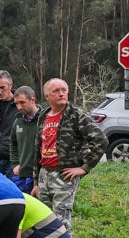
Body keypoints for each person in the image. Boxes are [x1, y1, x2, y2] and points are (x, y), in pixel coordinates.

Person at [33, 78, 108, 227]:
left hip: (63, 175)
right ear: (47, 96)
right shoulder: (43, 116)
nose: (61, 94)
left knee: (61, 222)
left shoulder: (76, 115)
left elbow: (101, 140)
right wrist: (36, 182)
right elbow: (38, 150)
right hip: (44, 174)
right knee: (44, 221)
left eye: (64, 90)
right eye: (56, 91)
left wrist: (84, 168)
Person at [8, 85, 43, 195]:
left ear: (32, 100)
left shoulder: (44, 119)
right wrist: (15, 164)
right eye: (16, 103)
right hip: (21, 175)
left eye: (22, 102)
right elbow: (13, 144)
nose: (19, 107)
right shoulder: (17, 121)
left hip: (40, 176)